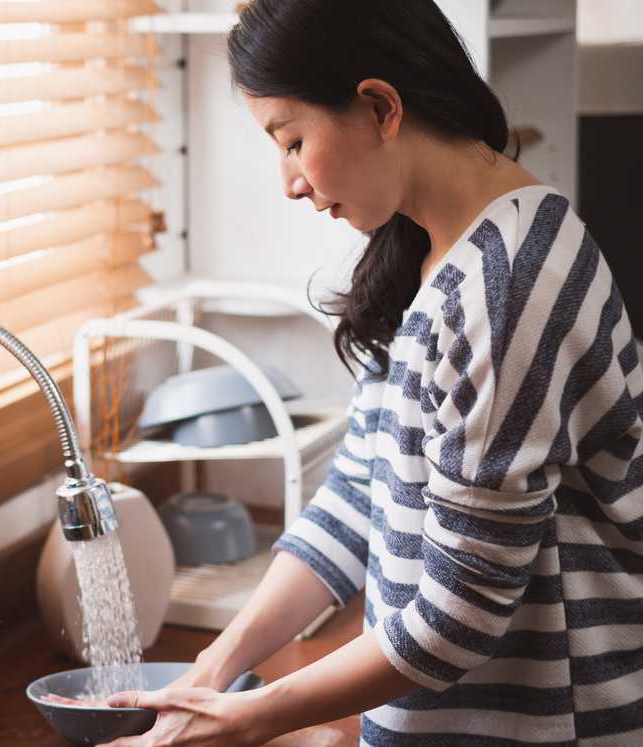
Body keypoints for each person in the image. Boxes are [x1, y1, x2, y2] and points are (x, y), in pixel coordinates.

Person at [97, 1, 643, 745]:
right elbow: (361, 490)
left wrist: (255, 718)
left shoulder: (507, 289)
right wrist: (213, 670)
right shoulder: (429, 253)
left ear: (381, 107)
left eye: (293, 140)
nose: (290, 181)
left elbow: (460, 614)